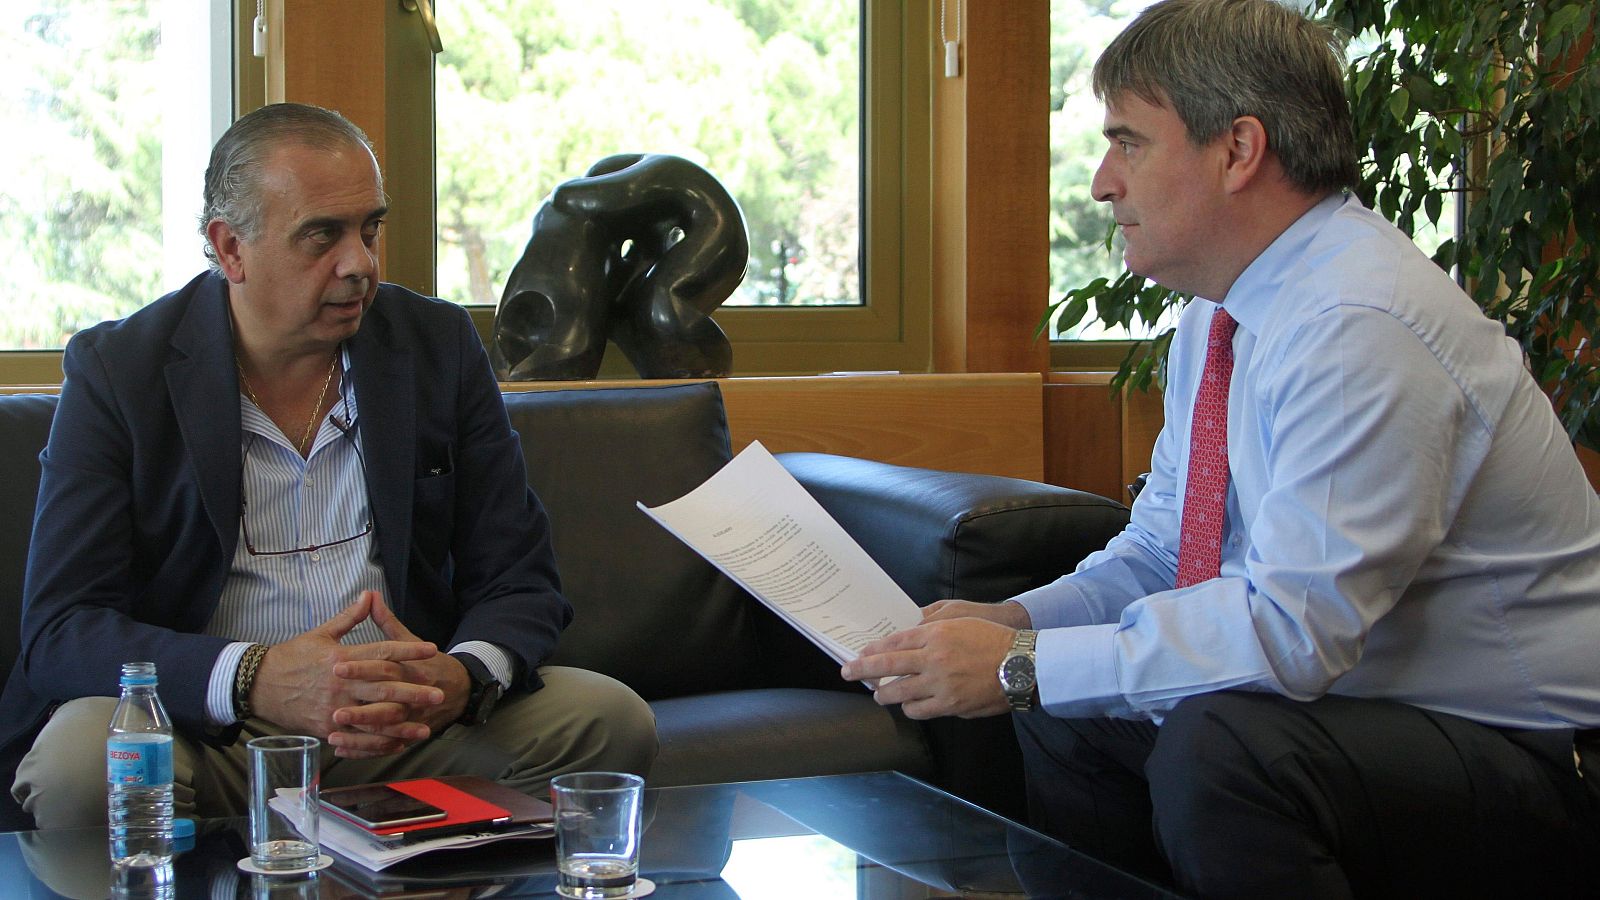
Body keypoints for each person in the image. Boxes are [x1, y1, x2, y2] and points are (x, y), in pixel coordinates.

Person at [841, 1, 1600, 896]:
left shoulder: (1358, 323)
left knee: (1222, 747)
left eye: (1128, 142)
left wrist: (1017, 669)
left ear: (1239, 150)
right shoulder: (1221, 316)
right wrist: (1020, 627)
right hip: (1375, 717)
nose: (1100, 181)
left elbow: (1294, 634)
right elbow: (1166, 549)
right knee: (1064, 708)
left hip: (1542, 755)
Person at [4, 102, 657, 827]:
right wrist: (254, 678)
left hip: (407, 727)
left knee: (606, 717)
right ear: (231, 249)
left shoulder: (435, 346)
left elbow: (520, 578)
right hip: (211, 734)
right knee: (80, 765)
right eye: (323, 236)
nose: (362, 264)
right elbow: (63, 629)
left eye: (369, 228)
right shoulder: (119, 371)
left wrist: (463, 677)